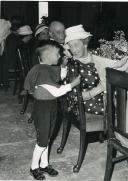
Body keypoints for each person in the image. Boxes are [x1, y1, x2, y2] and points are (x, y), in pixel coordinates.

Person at [24, 40, 81, 180]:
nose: (59, 56)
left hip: (50, 106)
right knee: (42, 140)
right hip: (42, 108)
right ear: (48, 56)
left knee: (48, 137)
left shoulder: (46, 68)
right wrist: (73, 84)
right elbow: (56, 91)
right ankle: (34, 167)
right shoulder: (40, 71)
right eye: (57, 54)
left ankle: (44, 164)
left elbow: (58, 77)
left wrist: (63, 66)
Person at [64, 24, 128, 119]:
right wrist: (100, 88)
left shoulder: (97, 55)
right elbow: (74, 96)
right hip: (86, 103)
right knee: (120, 111)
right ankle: (116, 132)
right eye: (70, 46)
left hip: (105, 96)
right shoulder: (73, 64)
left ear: (85, 43)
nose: (73, 50)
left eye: (76, 45)